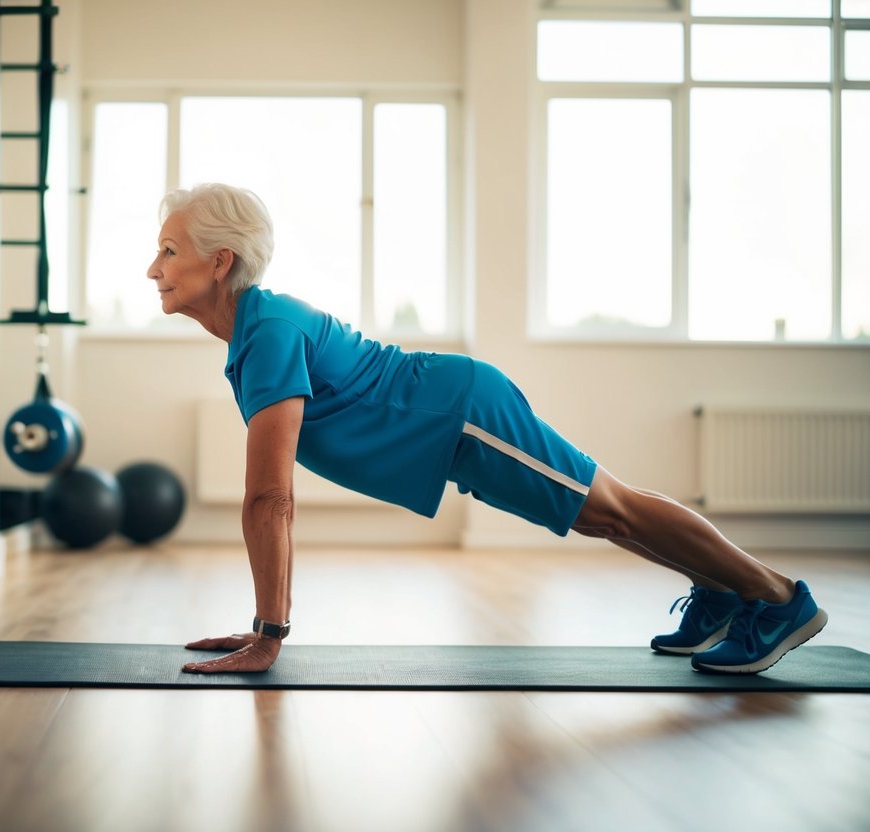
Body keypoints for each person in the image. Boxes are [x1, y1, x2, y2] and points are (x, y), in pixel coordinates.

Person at [146, 182, 827, 677]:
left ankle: (775, 598)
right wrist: (266, 626)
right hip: (448, 428)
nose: (153, 269)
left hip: (459, 414)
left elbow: (271, 498)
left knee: (610, 508)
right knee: (598, 520)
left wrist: (268, 634)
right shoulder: (254, 331)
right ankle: (720, 590)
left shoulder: (266, 332)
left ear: (220, 262)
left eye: (168, 251)